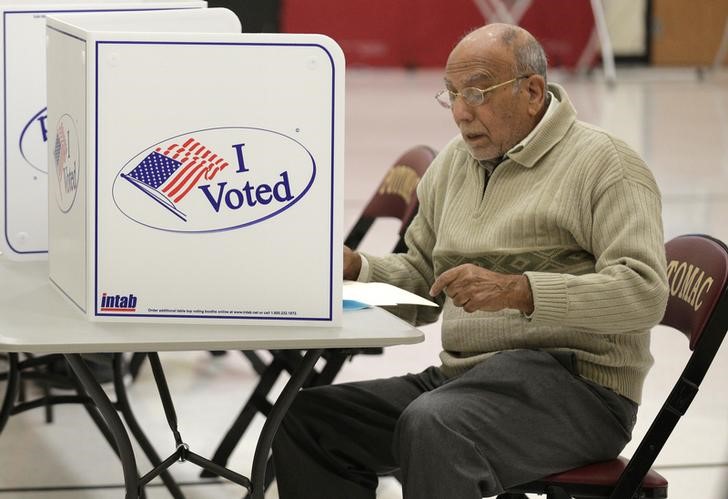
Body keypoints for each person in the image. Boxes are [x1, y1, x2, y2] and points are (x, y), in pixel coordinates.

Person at [271, 23, 669, 499]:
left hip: (577, 389)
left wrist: (520, 290)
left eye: (477, 93)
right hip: (465, 379)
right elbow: (421, 288)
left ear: (533, 91)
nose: (460, 113)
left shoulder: (604, 164)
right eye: (451, 94)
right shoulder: (451, 167)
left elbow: (644, 293)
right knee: (308, 419)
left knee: (435, 426)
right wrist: (358, 270)